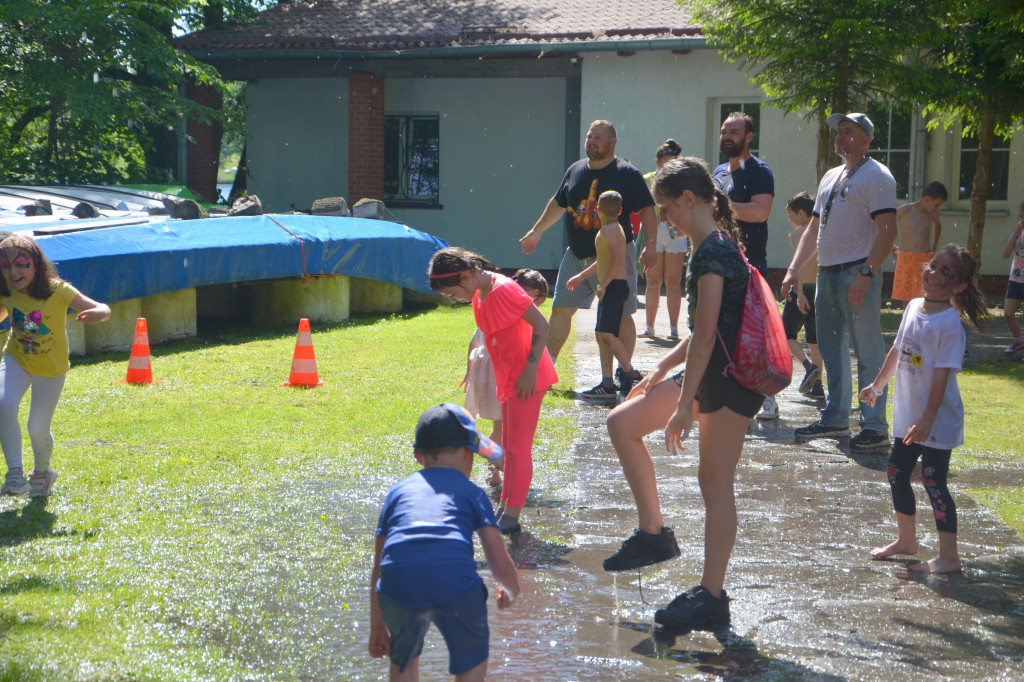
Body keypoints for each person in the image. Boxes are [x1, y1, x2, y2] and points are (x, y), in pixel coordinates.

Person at [603, 157, 764, 636]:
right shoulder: (710, 248)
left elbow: (710, 335)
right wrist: (659, 368)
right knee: (622, 423)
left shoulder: (713, 252)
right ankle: (653, 534)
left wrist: (681, 405)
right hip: (707, 374)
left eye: (667, 208)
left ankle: (711, 598)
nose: (664, 218)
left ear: (689, 200)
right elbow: (700, 335)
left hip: (729, 383)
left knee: (714, 483)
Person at [368, 403, 520, 681]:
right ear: (467, 455)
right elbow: (499, 563)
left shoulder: (397, 494)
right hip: (455, 583)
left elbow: (379, 568)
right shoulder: (473, 494)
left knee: (403, 662)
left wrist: (378, 624)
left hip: (399, 584)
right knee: (473, 660)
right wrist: (510, 590)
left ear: (418, 455)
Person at [860, 245, 988, 574]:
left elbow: (942, 375)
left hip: (936, 420)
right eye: (934, 265)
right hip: (910, 416)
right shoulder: (914, 306)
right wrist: (877, 386)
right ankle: (907, 540)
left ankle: (949, 557)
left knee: (933, 481)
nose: (935, 273)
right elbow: (899, 349)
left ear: (958, 287)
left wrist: (928, 419)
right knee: (896, 473)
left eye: (948, 272)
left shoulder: (949, 325)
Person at [782, 112, 899, 450]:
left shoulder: (878, 177)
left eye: (849, 132)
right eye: (839, 133)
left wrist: (867, 273)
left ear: (867, 140)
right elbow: (814, 229)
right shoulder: (831, 176)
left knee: (868, 352)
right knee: (831, 351)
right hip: (827, 274)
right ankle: (835, 419)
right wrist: (793, 269)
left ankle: (874, 427)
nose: (841, 138)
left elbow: (889, 230)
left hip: (856, 272)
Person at [520, 120, 657, 398]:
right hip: (576, 253)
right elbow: (558, 203)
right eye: (589, 136)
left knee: (621, 317)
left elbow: (647, 209)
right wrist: (537, 230)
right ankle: (546, 372)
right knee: (560, 310)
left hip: (614, 256)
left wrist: (651, 245)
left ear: (612, 142)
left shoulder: (627, 173)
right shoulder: (575, 170)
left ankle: (619, 376)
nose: (592, 141)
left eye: (598, 137)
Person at [429, 247, 557, 534]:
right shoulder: (479, 293)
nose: (454, 300)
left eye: (451, 294)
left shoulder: (503, 290)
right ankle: (505, 508)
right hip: (510, 378)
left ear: (464, 276)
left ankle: (511, 516)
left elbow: (542, 325)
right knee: (509, 450)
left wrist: (529, 371)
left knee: (517, 449)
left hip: (527, 379)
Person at [0, 235, 110, 498]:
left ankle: (42, 473)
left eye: (21, 264)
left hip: (51, 368)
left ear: (36, 265)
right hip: (17, 358)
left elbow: (102, 307)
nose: (13, 272)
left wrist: (99, 314)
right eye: (5, 265)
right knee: (3, 404)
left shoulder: (57, 290)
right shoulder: (6, 290)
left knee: (37, 428)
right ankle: (15, 473)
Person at [711, 111, 777, 419]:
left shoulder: (759, 171)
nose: (727, 136)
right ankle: (727, 389)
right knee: (722, 330)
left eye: (734, 132)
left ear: (748, 136)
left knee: (754, 331)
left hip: (749, 263)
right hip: (717, 261)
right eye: (725, 130)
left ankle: (767, 396)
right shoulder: (718, 172)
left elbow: (760, 212)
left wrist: (721, 207)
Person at [566, 191, 643, 399]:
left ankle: (630, 372)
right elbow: (604, 260)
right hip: (613, 287)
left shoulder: (609, 231)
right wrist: (581, 276)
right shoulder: (613, 228)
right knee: (602, 334)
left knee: (607, 335)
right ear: (619, 211)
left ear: (597, 210)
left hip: (614, 288)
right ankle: (608, 385)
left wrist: (603, 285)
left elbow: (618, 261)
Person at [641, 139, 689, 340]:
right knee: (653, 281)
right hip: (654, 232)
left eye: (674, 163)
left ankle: (673, 328)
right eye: (666, 162)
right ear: (657, 161)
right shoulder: (648, 179)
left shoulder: (683, 181)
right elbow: (643, 205)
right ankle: (649, 327)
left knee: (673, 281)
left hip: (675, 232)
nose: (669, 167)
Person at [782, 192, 825, 400]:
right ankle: (818, 386)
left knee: (785, 334)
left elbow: (797, 268)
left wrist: (797, 292)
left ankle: (808, 366)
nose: (789, 220)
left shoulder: (797, 235)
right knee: (814, 340)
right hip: (820, 289)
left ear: (801, 213)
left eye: (790, 215)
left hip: (802, 289)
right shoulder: (824, 232)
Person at [891, 182, 948, 305]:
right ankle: (906, 321)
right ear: (927, 199)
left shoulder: (932, 214)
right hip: (906, 257)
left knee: (924, 293)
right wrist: (891, 246)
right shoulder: (905, 210)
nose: (937, 208)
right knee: (907, 296)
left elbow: (937, 227)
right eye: (936, 205)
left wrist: (933, 248)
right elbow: (885, 224)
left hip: (924, 257)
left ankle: (922, 321)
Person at [1001, 202, 1024, 357]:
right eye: (1021, 217)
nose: (1022, 221)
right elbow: (1005, 254)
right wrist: (1014, 235)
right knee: (1008, 314)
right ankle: (1020, 341)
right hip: (1016, 279)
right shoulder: (1018, 234)